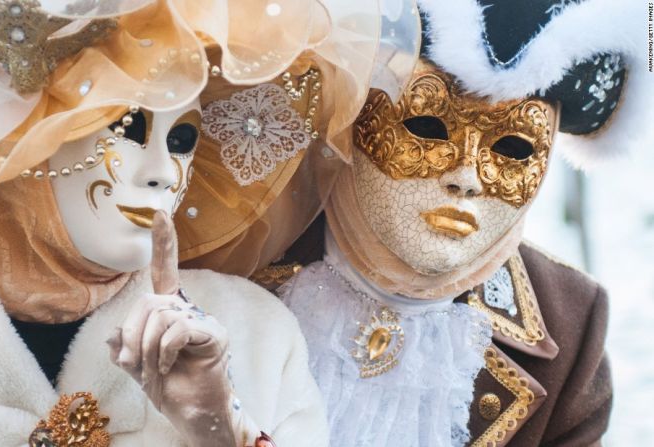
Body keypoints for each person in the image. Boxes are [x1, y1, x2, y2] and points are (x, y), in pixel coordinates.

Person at [0, 0, 349, 445]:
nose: (162, 172)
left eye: (181, 140)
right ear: (19, 143)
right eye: (129, 127)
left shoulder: (254, 334)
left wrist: (223, 428)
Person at [276, 0, 652, 445]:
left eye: (513, 147)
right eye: (427, 126)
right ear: (357, 115)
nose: (468, 179)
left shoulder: (572, 324)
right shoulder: (239, 260)